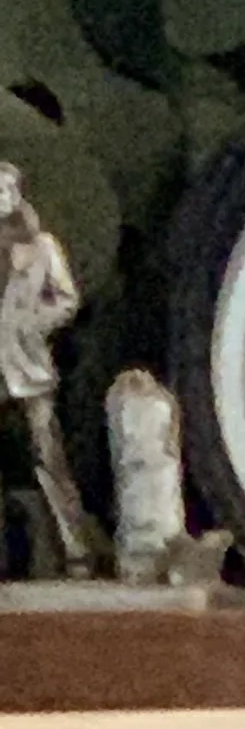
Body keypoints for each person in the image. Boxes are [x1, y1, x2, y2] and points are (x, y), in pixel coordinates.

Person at [0, 164, 100, 576]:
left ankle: (76, 549)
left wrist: (32, 324)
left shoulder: (41, 247)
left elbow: (66, 299)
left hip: (26, 364)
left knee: (48, 458)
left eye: (6, 190)